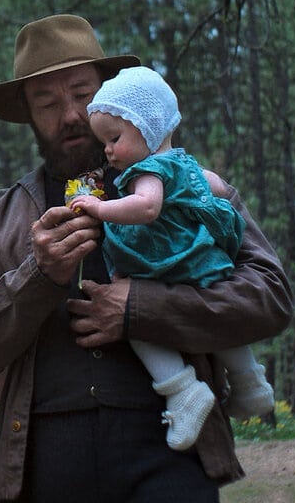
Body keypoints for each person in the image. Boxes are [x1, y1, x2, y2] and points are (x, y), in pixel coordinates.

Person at [0, 14, 293, 503]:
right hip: (39, 469)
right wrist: (37, 275)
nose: (70, 115)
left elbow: (270, 297)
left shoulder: (186, 184)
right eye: (47, 103)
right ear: (28, 114)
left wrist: (139, 309)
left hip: (171, 460)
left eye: (82, 94)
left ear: (109, 94)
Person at [68, 66, 276, 451]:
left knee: (135, 320)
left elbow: (147, 208)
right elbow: (216, 188)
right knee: (219, 324)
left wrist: (98, 208)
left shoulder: (146, 172)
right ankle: (249, 383)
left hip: (163, 263)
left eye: (114, 139)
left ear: (147, 129)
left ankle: (181, 390)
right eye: (104, 142)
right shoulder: (185, 163)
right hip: (202, 260)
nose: (108, 150)